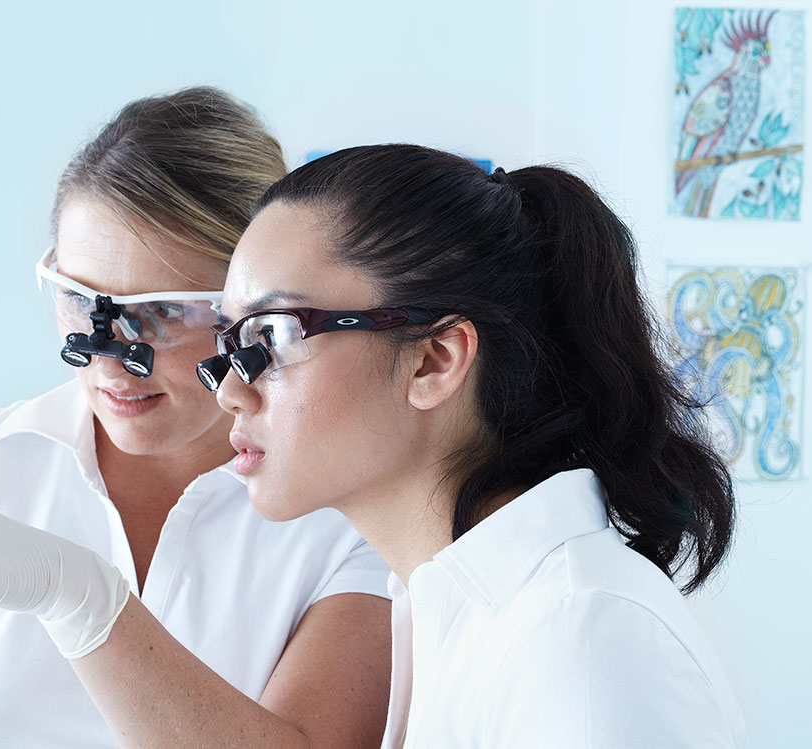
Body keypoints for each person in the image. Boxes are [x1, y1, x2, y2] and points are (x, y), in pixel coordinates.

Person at [0, 89, 392, 748]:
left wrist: (83, 600)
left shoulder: (350, 524)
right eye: (81, 300)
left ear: (255, 308)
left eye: (164, 310)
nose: (111, 358)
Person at [199, 144, 745, 747]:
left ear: (435, 360)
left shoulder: (580, 633)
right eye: (229, 341)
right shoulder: (443, 613)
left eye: (271, 335)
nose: (229, 390)